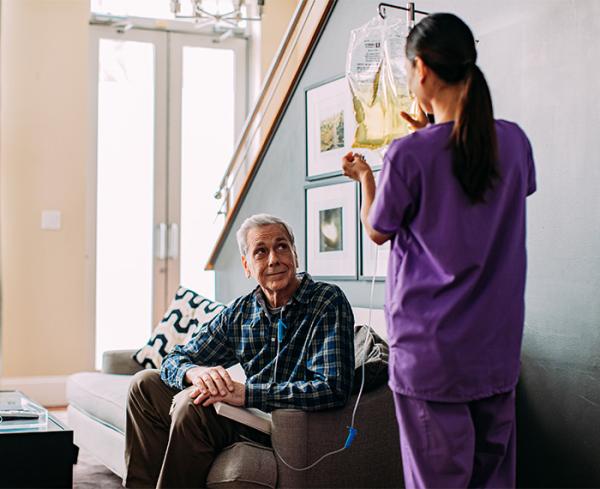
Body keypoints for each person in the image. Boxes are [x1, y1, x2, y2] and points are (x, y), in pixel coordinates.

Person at [342, 13, 536, 489]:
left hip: (433, 356)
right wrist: (429, 133)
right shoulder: (513, 142)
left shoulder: (410, 156)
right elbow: (476, 196)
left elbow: (377, 230)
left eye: (408, 70)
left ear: (422, 69)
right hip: (496, 352)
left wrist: (368, 177)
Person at [124, 214, 355, 488]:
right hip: (242, 414)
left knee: (191, 406)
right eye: (261, 251)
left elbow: (332, 387)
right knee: (144, 385)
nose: (273, 259)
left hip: (280, 423)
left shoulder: (327, 301)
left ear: (295, 254)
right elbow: (175, 358)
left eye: (282, 246)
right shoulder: (241, 312)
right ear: (247, 265)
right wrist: (196, 373)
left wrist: (245, 393)